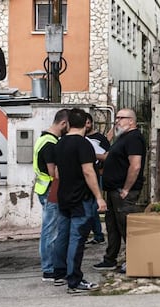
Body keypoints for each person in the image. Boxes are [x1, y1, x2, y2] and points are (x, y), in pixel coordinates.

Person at [52, 108, 107, 293]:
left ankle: (59, 273)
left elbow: (57, 172)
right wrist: (99, 197)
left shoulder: (59, 143)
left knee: (63, 236)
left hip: (64, 197)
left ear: (67, 123)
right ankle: (74, 280)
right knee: (77, 239)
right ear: (86, 124)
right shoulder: (83, 145)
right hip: (80, 199)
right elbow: (88, 171)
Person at [93, 108, 146, 274]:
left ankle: (134, 261)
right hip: (112, 190)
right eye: (116, 118)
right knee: (112, 226)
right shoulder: (122, 138)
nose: (117, 121)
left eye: (120, 118)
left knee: (126, 227)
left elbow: (135, 165)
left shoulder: (134, 138)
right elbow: (109, 157)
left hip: (123, 192)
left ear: (131, 121)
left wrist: (126, 189)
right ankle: (110, 259)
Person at [33, 108, 69, 282]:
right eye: (68, 126)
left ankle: (50, 266)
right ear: (63, 123)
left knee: (50, 229)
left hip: (43, 189)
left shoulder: (43, 138)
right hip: (50, 190)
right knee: (50, 231)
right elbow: (53, 172)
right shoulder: (51, 144)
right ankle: (49, 269)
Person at [84, 112, 111, 244]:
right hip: (86, 175)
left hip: (97, 173)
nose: (86, 126)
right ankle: (96, 234)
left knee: (94, 205)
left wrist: (93, 156)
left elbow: (107, 156)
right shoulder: (80, 138)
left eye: (88, 123)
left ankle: (97, 234)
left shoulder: (100, 138)